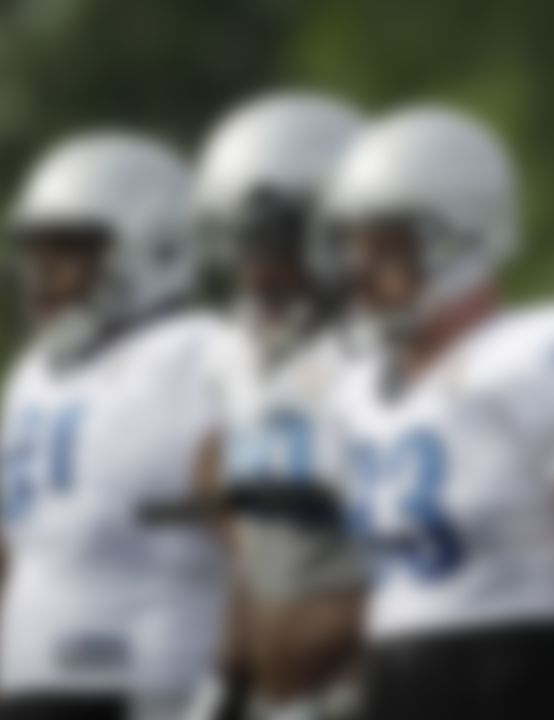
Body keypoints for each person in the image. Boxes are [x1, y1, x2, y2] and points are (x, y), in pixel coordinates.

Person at [318, 105, 554, 720]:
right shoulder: (355, 393)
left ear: (465, 238)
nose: (360, 273)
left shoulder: (532, 359)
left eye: (388, 247)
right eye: (353, 246)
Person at [0, 133, 249, 720]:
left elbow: (261, 555)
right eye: (39, 253)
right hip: (30, 696)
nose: (43, 275)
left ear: (154, 246)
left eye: (69, 251)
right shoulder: (33, 376)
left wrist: (228, 690)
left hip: (156, 689)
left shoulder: (200, 356)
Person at [191, 92, 370, 720]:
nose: (259, 270)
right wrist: (227, 681)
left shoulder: (380, 356)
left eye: (279, 243)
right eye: (245, 244)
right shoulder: (234, 357)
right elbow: (252, 551)